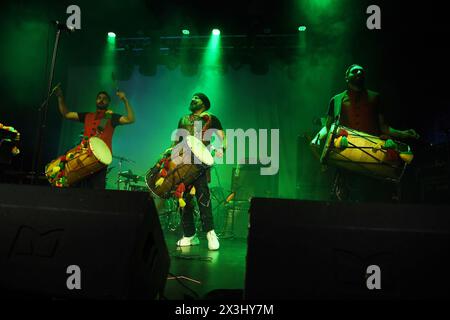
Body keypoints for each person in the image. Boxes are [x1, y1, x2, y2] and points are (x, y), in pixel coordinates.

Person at [313, 64, 420, 202]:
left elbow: (384, 128)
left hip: (372, 159)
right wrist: (317, 137)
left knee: (370, 202)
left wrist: (404, 134)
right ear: (346, 77)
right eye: (354, 71)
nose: (359, 72)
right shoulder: (336, 100)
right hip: (346, 158)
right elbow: (328, 127)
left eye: (362, 71)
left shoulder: (375, 97)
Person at [55, 86, 135, 189]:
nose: (101, 100)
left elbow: (131, 119)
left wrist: (125, 100)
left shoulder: (112, 117)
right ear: (96, 101)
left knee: (96, 189)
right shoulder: (88, 115)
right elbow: (66, 114)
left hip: (100, 160)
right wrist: (60, 98)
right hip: (83, 156)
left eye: (104, 98)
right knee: (78, 186)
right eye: (99, 98)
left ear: (108, 102)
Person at [174, 93, 225, 251]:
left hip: (200, 164)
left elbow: (223, 137)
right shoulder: (183, 119)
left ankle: (210, 232)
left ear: (203, 103)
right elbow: (177, 140)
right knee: (183, 199)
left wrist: (221, 147)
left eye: (196, 98)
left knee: (203, 197)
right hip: (183, 164)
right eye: (192, 97)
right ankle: (190, 234)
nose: (192, 99)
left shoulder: (210, 119)